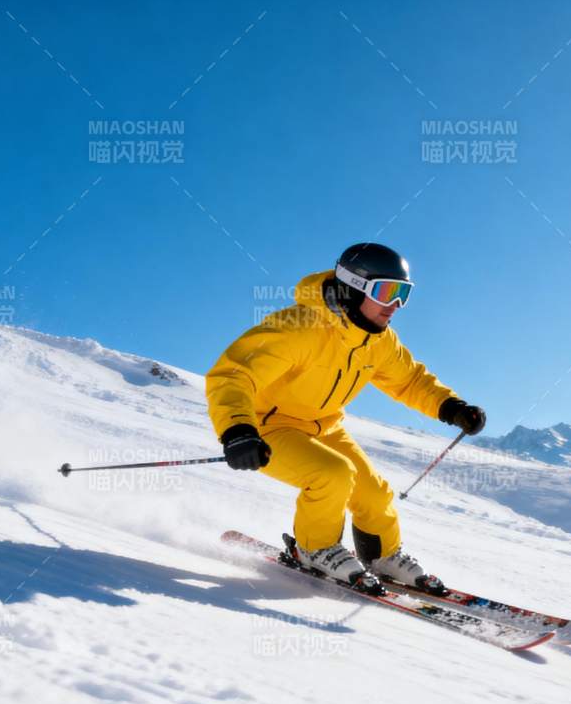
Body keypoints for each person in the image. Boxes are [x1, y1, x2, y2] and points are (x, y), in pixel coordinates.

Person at [205, 242, 485, 593]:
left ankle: (383, 556)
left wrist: (452, 407)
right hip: (266, 426)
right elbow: (234, 374)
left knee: (374, 492)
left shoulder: (379, 341)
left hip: (324, 425)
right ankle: (315, 548)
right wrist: (237, 430)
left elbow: (410, 380)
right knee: (332, 475)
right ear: (354, 286)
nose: (396, 305)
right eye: (387, 291)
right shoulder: (299, 326)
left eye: (404, 293)